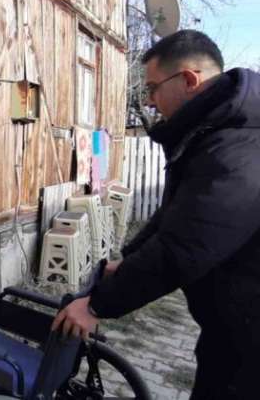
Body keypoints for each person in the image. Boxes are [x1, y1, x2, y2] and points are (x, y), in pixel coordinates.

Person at [52, 30, 260, 399]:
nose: (148, 101)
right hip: (231, 327)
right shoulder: (214, 133)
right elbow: (176, 215)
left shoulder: (239, 146)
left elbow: (186, 246)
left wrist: (99, 304)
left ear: (189, 80)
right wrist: (128, 261)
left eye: (152, 88)